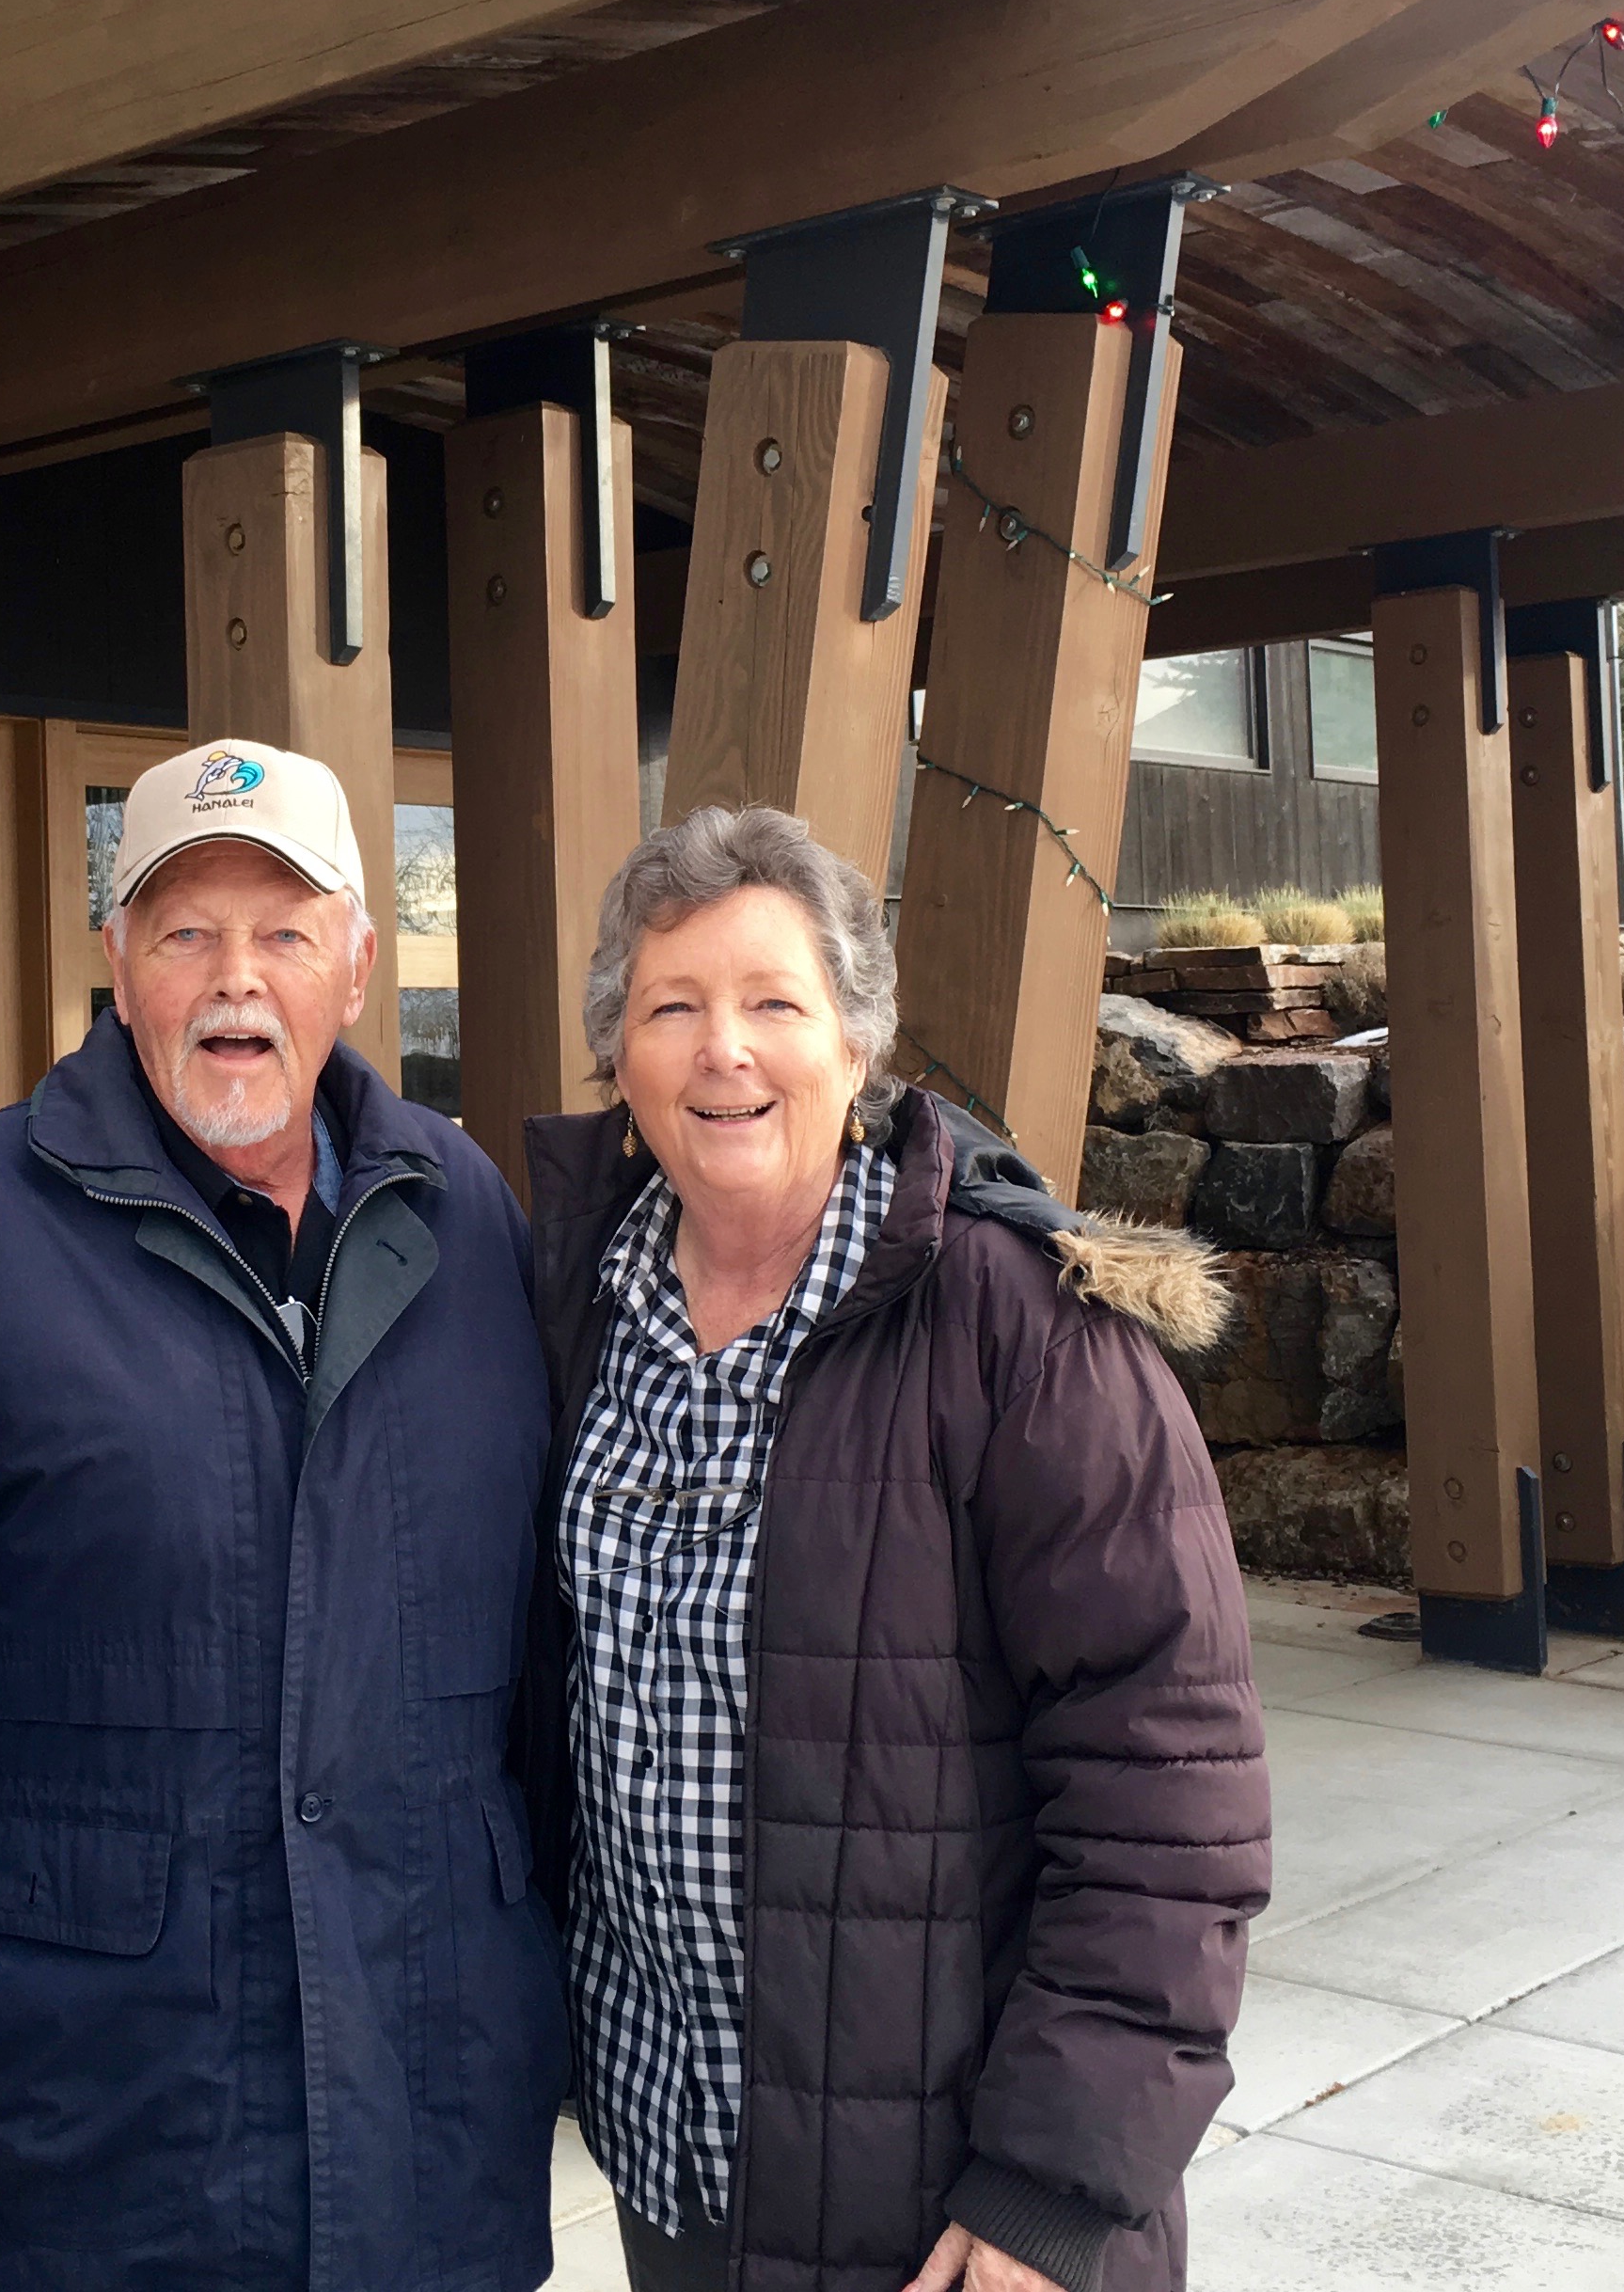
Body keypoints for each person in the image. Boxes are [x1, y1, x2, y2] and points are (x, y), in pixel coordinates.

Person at [0, 738, 565, 2292]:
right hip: (95, 2145)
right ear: (118, 967)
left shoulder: (471, 1229)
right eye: (187, 931)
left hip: (435, 2118)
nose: (235, 978)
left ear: (358, 966)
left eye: (285, 932)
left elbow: (554, 1671)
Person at [518, 804, 1269, 2292]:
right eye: (672, 1009)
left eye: (774, 1003)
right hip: (673, 2154)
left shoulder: (1025, 1330)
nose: (723, 1051)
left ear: (858, 1045)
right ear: (617, 1056)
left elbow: (1167, 1796)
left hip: (949, 2207)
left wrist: (1052, 2189)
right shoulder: (570, 1306)